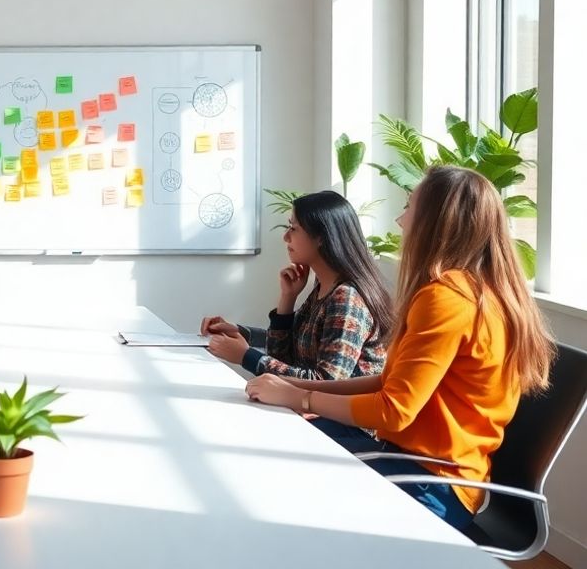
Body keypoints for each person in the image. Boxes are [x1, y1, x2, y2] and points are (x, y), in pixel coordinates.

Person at [245, 166, 557, 528]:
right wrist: (298, 389)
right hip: (425, 468)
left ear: (436, 222)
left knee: (281, 471)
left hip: (431, 484)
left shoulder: (446, 298)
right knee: (287, 447)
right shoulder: (479, 291)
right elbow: (386, 382)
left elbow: (394, 411)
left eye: (409, 207)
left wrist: (299, 399)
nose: (399, 220)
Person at [199, 191, 394, 380]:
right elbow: (285, 354)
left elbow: (327, 382)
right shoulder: (324, 287)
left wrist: (246, 356)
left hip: (332, 413)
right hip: (305, 407)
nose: (286, 237)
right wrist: (286, 299)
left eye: (293, 228)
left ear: (322, 238)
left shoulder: (347, 298)